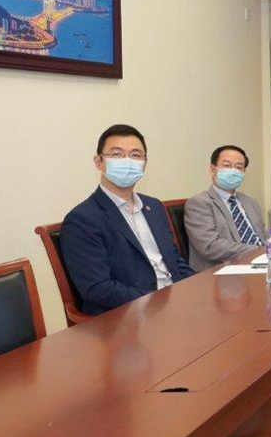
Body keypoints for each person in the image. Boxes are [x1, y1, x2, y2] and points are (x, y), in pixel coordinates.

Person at [60, 124, 194, 316]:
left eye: (135, 155)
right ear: (99, 162)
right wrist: (159, 301)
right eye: (117, 154)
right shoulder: (82, 219)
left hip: (175, 305)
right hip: (128, 316)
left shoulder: (154, 206)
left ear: (145, 162)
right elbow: (98, 288)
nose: (127, 161)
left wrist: (195, 288)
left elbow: (174, 259)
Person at [184, 144, 267, 271]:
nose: (233, 171)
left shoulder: (251, 202)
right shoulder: (198, 203)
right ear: (213, 170)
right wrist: (258, 250)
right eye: (227, 166)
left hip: (261, 264)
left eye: (239, 167)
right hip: (221, 271)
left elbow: (264, 237)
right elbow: (211, 247)